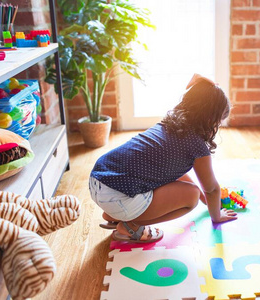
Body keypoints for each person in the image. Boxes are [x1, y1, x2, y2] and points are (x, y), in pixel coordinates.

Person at [89, 74, 238, 243]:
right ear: (211, 120)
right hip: (118, 196)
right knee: (192, 197)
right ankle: (131, 225)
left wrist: (208, 201)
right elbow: (211, 188)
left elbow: (175, 174)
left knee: (188, 189)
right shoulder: (197, 146)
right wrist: (217, 215)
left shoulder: (170, 123)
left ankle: (113, 214)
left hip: (99, 178)